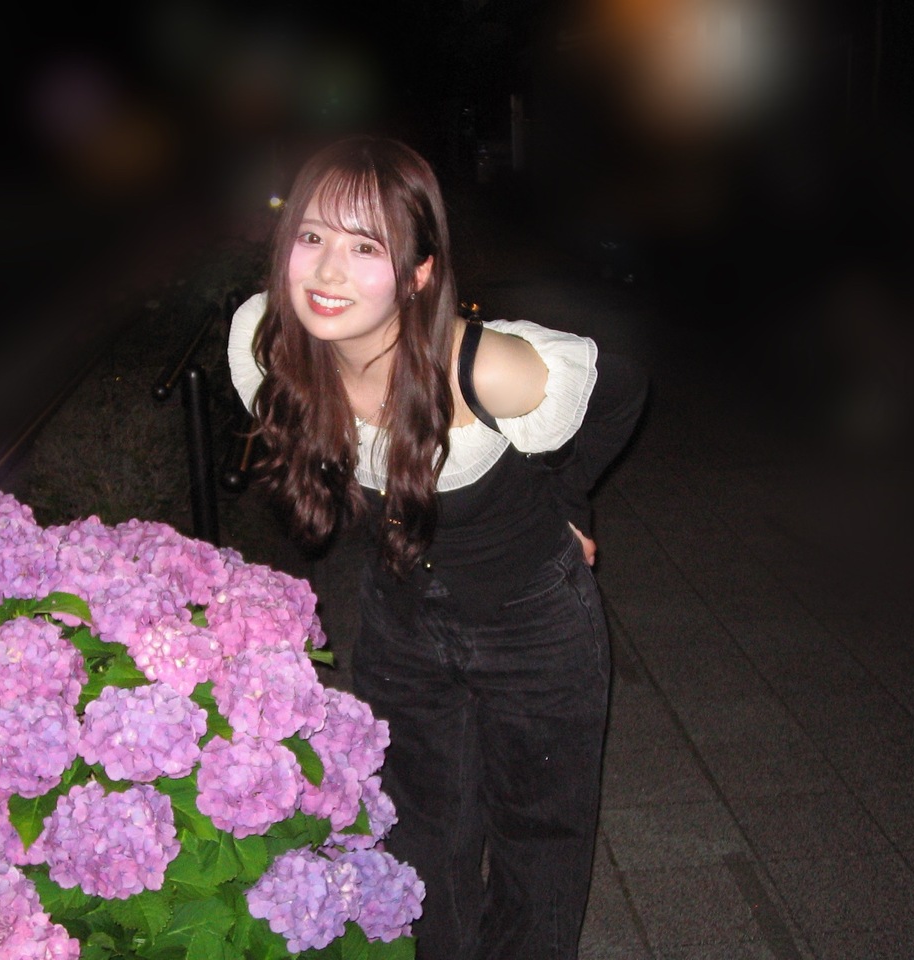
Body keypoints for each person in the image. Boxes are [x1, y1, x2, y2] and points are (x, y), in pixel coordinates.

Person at [227, 135, 647, 960]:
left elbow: (621, 389)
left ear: (419, 274)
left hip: (535, 624)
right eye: (311, 236)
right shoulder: (267, 341)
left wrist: (570, 505)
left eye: (366, 246)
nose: (328, 270)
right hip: (400, 617)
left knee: (540, 835)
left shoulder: (487, 370)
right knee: (422, 826)